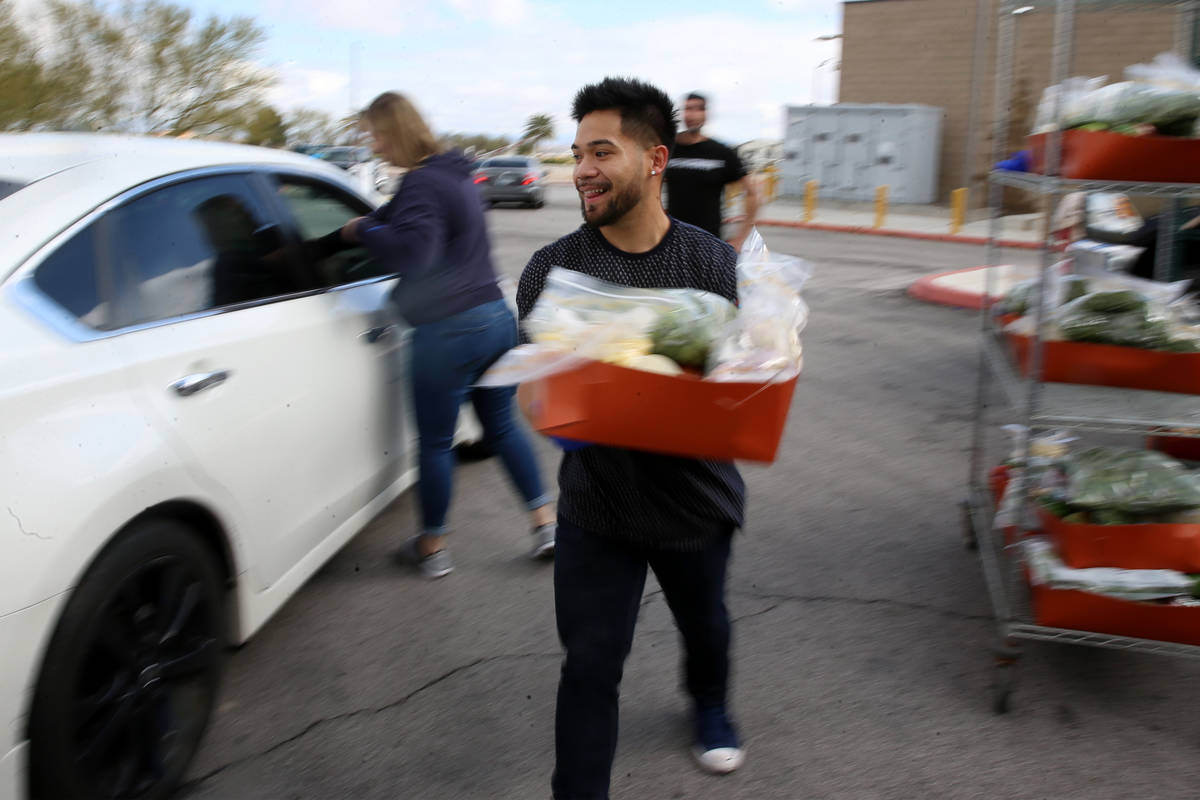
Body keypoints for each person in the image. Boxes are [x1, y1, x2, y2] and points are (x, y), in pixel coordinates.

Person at [515, 77, 747, 800]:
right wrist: (560, 410)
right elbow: (532, 391)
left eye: (602, 151)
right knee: (589, 665)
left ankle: (707, 701)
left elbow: (743, 388)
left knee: (705, 624)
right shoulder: (551, 272)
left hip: (694, 502)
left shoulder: (711, 265)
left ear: (654, 160)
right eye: (578, 151)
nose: (583, 168)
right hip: (598, 507)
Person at [340, 91, 555, 578]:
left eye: (375, 135)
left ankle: (432, 548)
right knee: (500, 427)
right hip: (495, 319)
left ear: (394, 130)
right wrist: (374, 222)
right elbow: (403, 216)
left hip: (449, 331)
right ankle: (545, 523)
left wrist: (360, 233)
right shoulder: (453, 174)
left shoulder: (421, 183)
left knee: (436, 442)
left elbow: (414, 251)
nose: (373, 146)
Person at [663, 92, 759, 252]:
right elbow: (649, 187)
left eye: (697, 109)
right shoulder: (668, 150)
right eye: (687, 109)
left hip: (709, 244)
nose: (691, 114)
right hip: (672, 243)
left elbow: (752, 193)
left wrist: (741, 238)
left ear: (706, 114)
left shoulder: (721, 153)